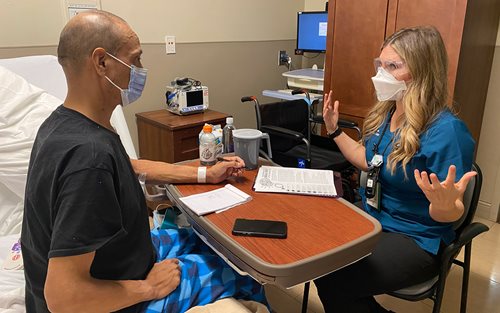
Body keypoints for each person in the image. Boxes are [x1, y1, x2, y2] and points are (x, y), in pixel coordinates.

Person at [20, 10, 266, 313]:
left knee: (210, 242)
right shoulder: (89, 156)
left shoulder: (63, 124)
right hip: (109, 297)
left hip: (122, 257)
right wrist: (147, 288)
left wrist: (206, 174)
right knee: (245, 275)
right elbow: (64, 298)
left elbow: (132, 167)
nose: (139, 70)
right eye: (135, 59)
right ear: (101, 62)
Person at [315, 26, 476, 313]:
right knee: (317, 259)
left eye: (393, 66)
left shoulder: (446, 131)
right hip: (373, 219)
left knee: (334, 278)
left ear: (422, 71)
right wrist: (334, 130)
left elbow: (451, 212)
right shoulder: (388, 111)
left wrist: (444, 205)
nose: (381, 74)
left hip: (415, 238)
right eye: (380, 65)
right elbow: (369, 160)